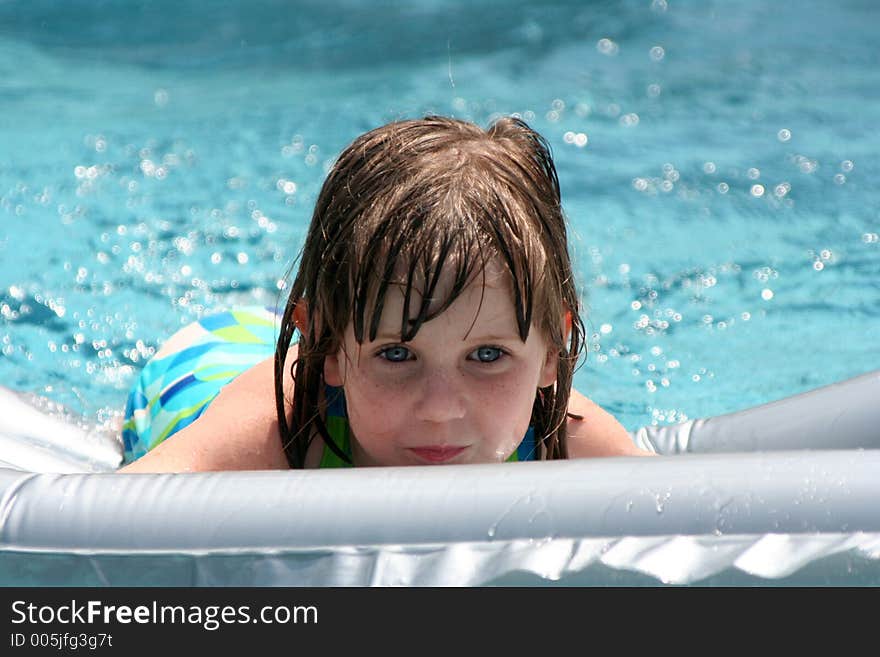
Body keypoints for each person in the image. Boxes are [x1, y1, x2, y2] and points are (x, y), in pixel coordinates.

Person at [119, 115, 651, 473]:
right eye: (397, 354)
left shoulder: (570, 444)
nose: (440, 410)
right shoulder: (277, 432)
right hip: (201, 364)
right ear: (325, 345)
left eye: (488, 355)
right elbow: (109, 511)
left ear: (551, 354)